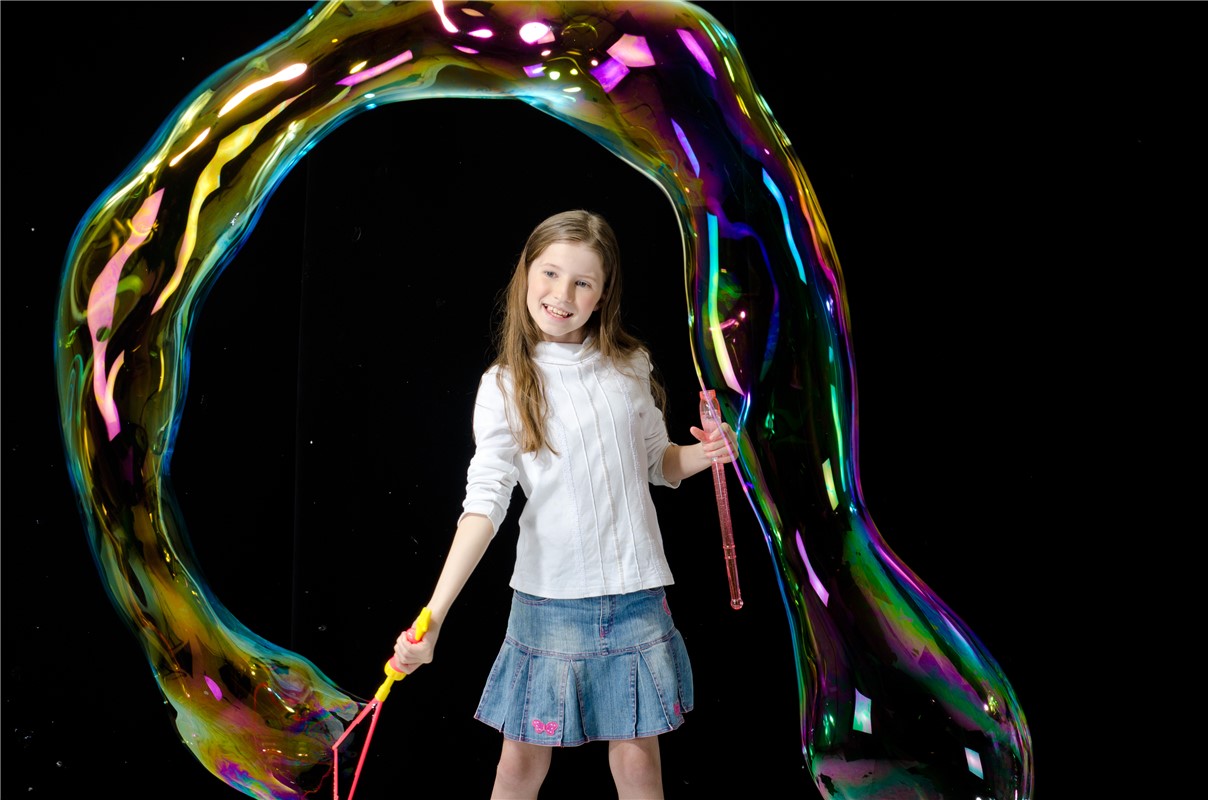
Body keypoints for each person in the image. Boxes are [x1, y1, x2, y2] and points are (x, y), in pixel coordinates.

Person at [393, 209, 735, 799]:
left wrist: (706, 454)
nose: (562, 294)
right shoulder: (504, 385)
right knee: (520, 767)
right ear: (526, 275)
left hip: (636, 594)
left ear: (603, 295)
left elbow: (658, 461)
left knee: (638, 765)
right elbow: (485, 504)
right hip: (550, 604)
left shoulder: (629, 366)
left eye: (583, 282)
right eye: (549, 274)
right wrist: (435, 613)